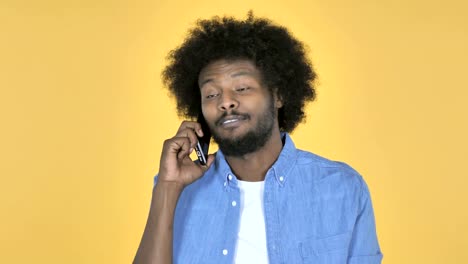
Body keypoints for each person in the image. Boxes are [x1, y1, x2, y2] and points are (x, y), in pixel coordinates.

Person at [134, 12, 383, 264]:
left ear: (278, 96)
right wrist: (168, 187)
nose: (226, 102)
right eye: (211, 94)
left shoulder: (342, 188)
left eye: (242, 88)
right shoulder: (176, 189)